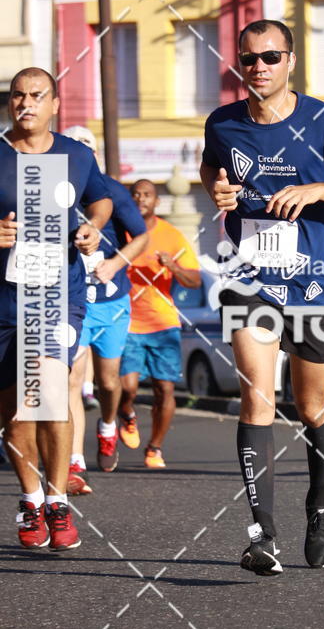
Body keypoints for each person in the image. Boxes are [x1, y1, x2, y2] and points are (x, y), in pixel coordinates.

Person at [200, 18, 324, 576]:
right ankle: (261, 534)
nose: (258, 67)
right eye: (249, 58)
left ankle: (320, 502)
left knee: (310, 406)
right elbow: (211, 165)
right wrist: (215, 187)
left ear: (290, 62)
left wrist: (319, 189)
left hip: (315, 283)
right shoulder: (223, 123)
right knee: (257, 399)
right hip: (248, 279)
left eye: (270, 57)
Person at [0, 68, 111, 549]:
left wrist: (93, 227)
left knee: (44, 389)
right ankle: (30, 500)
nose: (26, 102)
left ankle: (58, 498)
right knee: (14, 415)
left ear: (55, 103)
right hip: (4, 297)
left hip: (56, 291)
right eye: (18, 95)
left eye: (36, 95)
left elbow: (102, 199)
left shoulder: (76, 155)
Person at [64, 127, 148, 491]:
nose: (80, 156)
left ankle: (109, 424)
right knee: (70, 379)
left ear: (93, 155)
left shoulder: (112, 191)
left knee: (109, 382)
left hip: (111, 301)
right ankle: (74, 460)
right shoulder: (56, 191)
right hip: (72, 298)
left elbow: (141, 236)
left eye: (86, 150)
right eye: (73, 149)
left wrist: (115, 264)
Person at [118, 180, 201, 469]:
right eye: (136, 194)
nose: (141, 198)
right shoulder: (120, 231)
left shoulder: (172, 235)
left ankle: (154, 447)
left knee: (164, 389)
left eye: (147, 195)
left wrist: (173, 266)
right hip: (126, 321)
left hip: (163, 323)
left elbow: (195, 280)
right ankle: (126, 413)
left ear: (156, 202)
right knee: (126, 388)